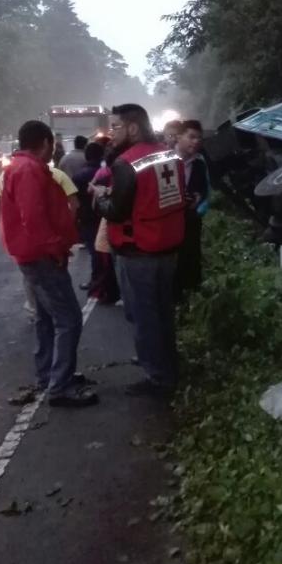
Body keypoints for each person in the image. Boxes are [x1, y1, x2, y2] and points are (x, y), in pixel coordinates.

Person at [0, 120, 97, 407]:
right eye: (52, 142)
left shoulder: (19, 168)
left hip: (32, 255)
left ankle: (49, 375)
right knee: (69, 319)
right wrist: (55, 249)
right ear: (45, 142)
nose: (54, 147)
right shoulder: (28, 170)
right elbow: (35, 219)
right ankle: (60, 386)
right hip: (41, 256)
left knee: (45, 318)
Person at [93, 104, 186, 396]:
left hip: (139, 250)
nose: (111, 134)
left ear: (133, 128)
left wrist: (99, 198)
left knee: (144, 316)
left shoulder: (126, 163)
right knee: (163, 312)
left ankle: (159, 377)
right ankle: (169, 366)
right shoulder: (169, 154)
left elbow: (117, 212)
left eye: (116, 127)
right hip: (168, 244)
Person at [0, 159, 80, 317]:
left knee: (32, 280)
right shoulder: (57, 175)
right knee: (67, 316)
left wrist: (12, 228)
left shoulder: (5, 175)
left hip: (24, 248)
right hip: (51, 245)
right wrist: (66, 228)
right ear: (46, 145)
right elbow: (74, 204)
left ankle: (35, 309)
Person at [174, 120, 210, 299]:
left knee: (191, 260)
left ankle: (191, 300)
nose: (195, 142)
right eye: (191, 137)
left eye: (199, 138)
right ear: (178, 137)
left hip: (191, 220)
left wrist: (198, 201)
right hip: (169, 222)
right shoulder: (164, 160)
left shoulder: (200, 163)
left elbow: (205, 189)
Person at [72, 142, 104, 291]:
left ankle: (97, 282)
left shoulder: (79, 176)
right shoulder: (106, 172)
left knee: (94, 252)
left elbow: (74, 201)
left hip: (87, 218)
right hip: (104, 215)